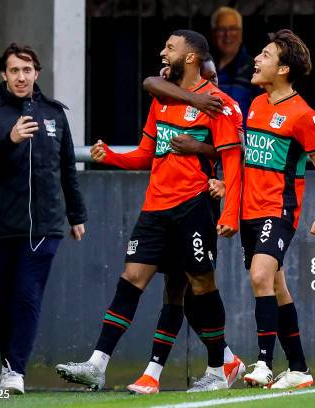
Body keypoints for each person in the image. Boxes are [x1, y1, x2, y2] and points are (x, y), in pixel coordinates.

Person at [56, 30, 243, 393]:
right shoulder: (162, 99)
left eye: (170, 47)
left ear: (190, 57)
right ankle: (98, 363)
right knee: (131, 278)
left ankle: (220, 366)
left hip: (193, 207)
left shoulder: (220, 104)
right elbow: (147, 152)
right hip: (155, 207)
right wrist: (110, 156)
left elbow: (233, 161)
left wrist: (229, 214)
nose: (162, 52)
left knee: (201, 286)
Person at [122, 57, 244, 395]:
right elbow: (148, 84)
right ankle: (169, 371)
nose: (214, 81)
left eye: (217, 76)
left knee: (204, 289)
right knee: (178, 294)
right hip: (164, 210)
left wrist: (227, 205)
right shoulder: (169, 99)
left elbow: (238, 152)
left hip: (200, 209)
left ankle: (240, 364)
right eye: (209, 76)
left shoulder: (226, 106)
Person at [0, 43, 87, 394]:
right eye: (14, 71)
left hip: (45, 224)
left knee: (27, 294)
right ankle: (9, 364)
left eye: (27, 70)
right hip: (2, 223)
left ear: (37, 72)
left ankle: (16, 370)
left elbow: (67, 167)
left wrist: (76, 213)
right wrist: (11, 139)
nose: (21, 77)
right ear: (4, 75)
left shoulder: (54, 113)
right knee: (3, 299)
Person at [240, 29, 315, 389]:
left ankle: (263, 363)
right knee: (275, 286)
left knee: (260, 276)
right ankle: (299, 368)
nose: (257, 59)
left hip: (279, 209)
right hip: (249, 210)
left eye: (265, 54)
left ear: (283, 69)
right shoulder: (256, 105)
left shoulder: (303, 115)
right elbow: (249, 161)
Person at [211, 6, 258, 119]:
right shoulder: (202, 67)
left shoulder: (255, 68)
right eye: (222, 29)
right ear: (213, 34)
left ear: (240, 33)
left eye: (233, 29)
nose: (227, 35)